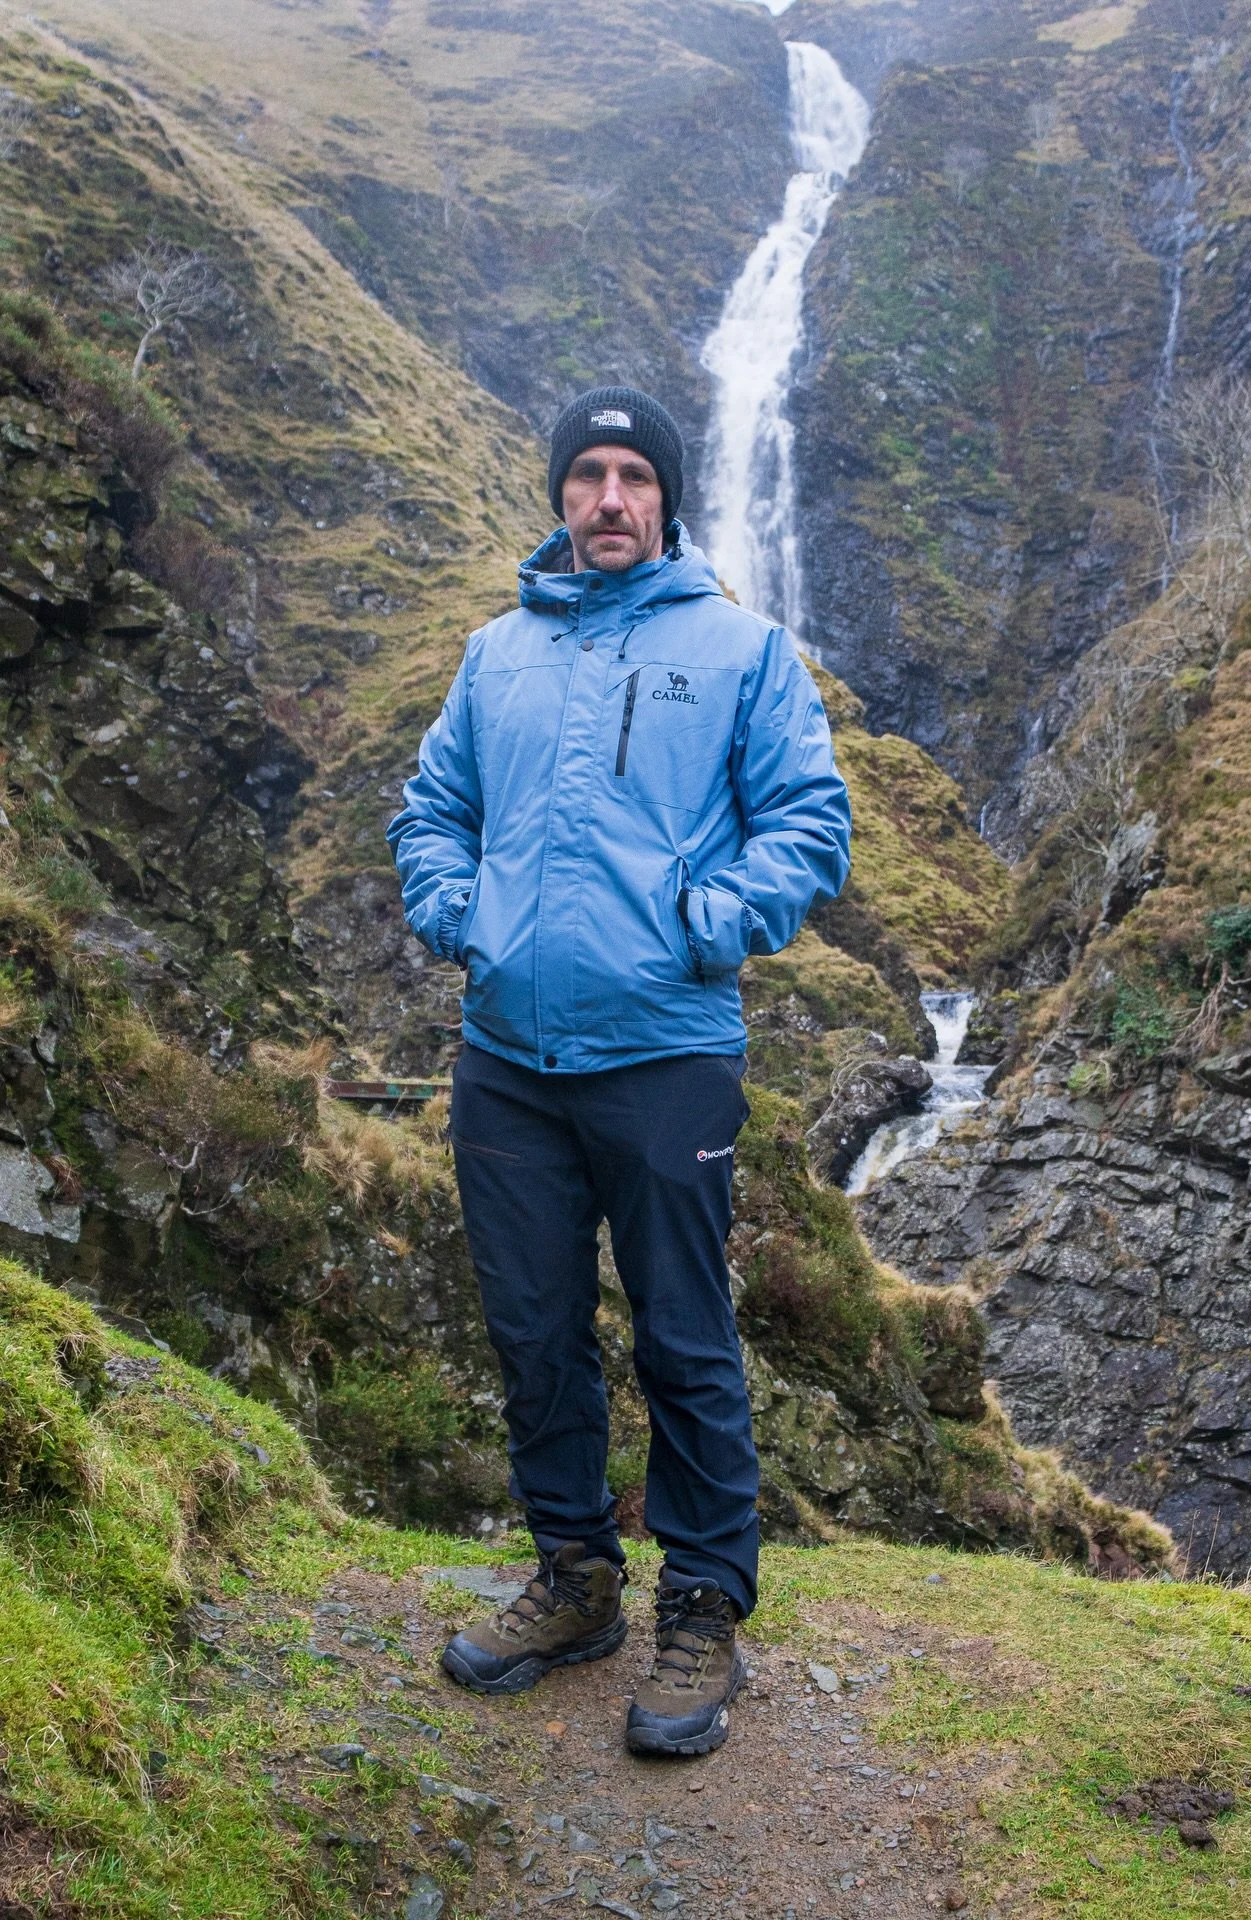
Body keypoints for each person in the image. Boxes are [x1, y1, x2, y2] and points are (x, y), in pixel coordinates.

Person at [387, 385, 850, 1757]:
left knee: (684, 1337)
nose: (608, 498)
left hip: (669, 1056)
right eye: (587, 474)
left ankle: (702, 1608)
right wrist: (465, 918)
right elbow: (432, 813)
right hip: (509, 1061)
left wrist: (704, 926)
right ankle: (577, 1577)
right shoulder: (494, 658)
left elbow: (809, 824)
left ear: (666, 497)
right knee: (534, 1333)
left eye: (633, 475)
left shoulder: (745, 650)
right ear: (559, 495)